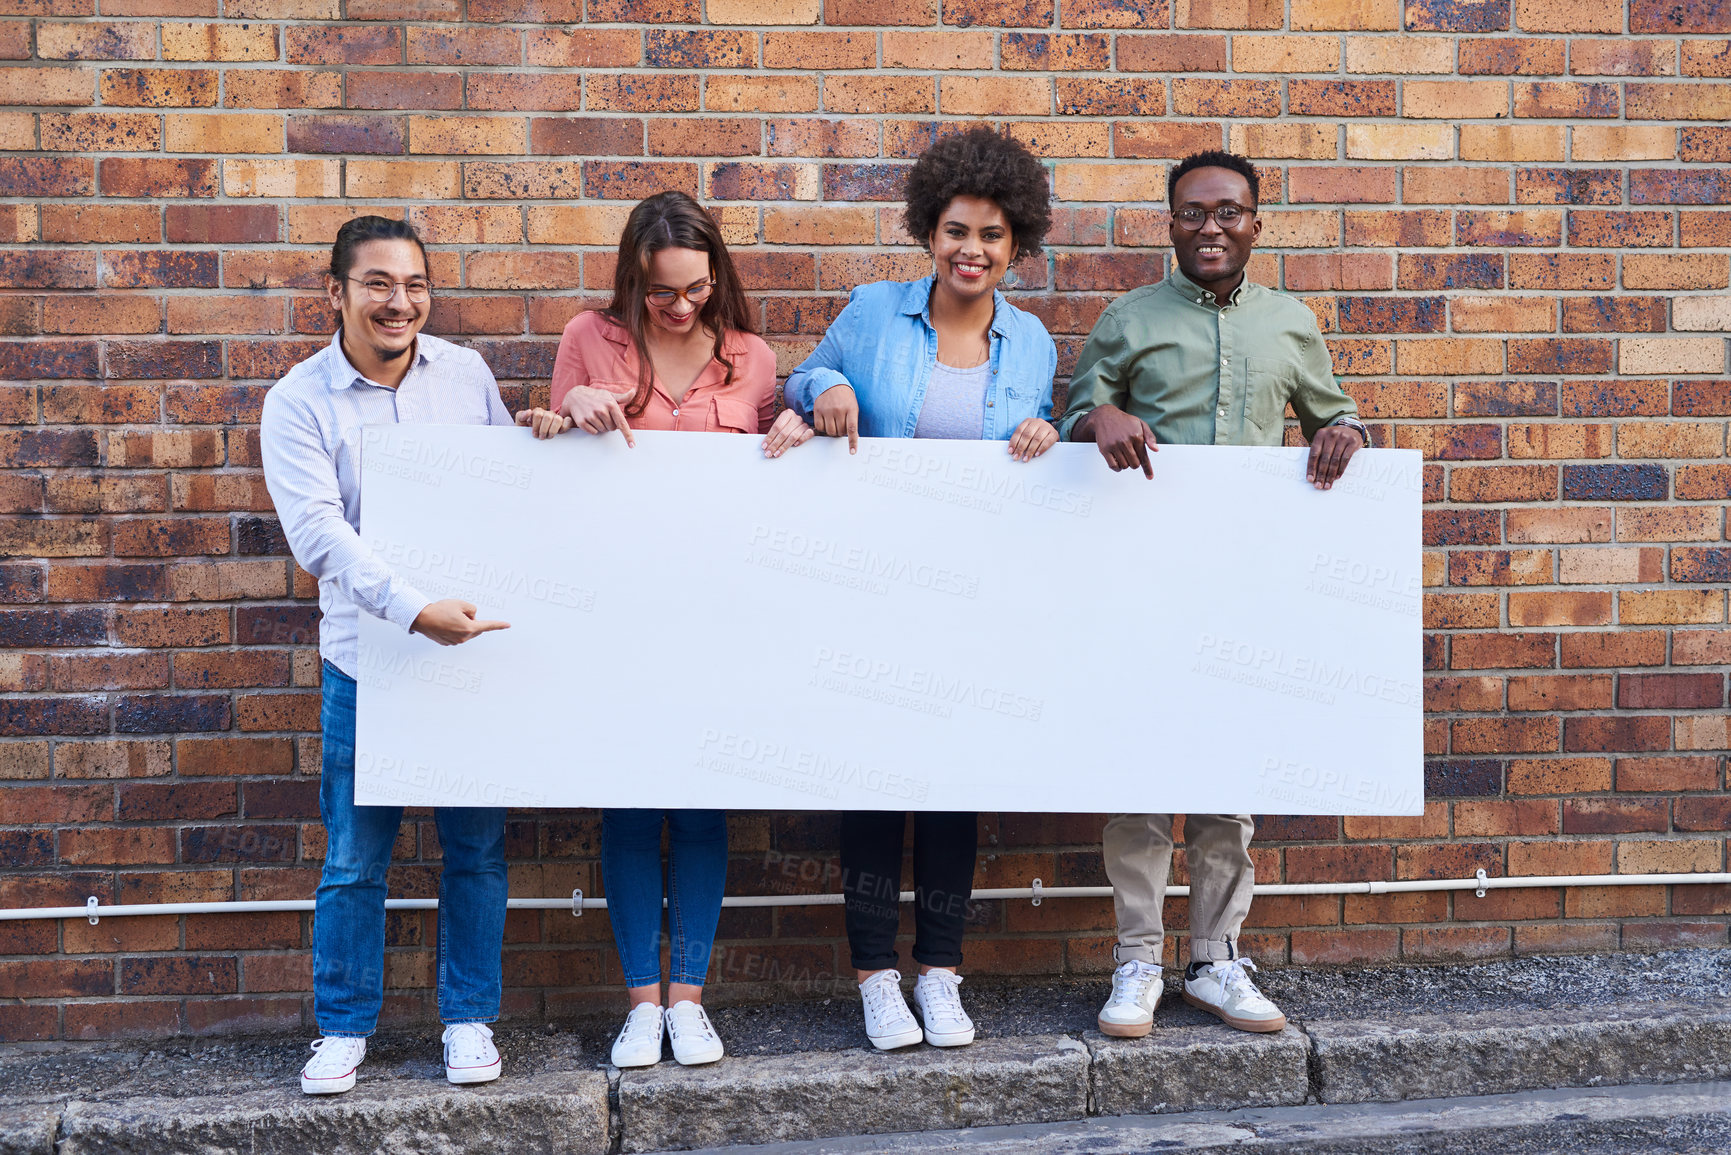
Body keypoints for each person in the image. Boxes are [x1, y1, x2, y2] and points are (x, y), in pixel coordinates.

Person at [1058, 149, 1371, 1040]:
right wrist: (1098, 418)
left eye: (1228, 211)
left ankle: (1215, 958)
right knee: (1144, 772)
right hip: (1143, 584)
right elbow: (1081, 415)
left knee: (1230, 775)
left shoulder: (1290, 322)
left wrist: (1345, 430)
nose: (1210, 226)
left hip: (1246, 583)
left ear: (1254, 224)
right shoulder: (1128, 319)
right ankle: (1134, 962)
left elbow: (1332, 413)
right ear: (1169, 223)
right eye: (1193, 212)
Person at [778, 127, 1059, 1050]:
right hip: (872, 592)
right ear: (926, 232)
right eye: (953, 231)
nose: (969, 250)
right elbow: (801, 373)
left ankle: (940, 972)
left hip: (972, 600)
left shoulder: (1033, 344)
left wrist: (1043, 436)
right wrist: (827, 388)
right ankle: (874, 977)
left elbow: (1040, 443)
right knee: (871, 784)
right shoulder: (873, 310)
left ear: (1016, 243)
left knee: (950, 789)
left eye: (989, 235)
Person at [516, 191, 793, 1068]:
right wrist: (570, 416)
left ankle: (691, 999)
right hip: (616, 612)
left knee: (702, 807)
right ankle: (642, 1001)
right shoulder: (586, 339)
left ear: (718, 277)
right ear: (634, 275)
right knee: (632, 803)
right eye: (661, 291)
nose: (680, 308)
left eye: (696, 290)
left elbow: (774, 481)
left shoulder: (750, 357)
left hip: (719, 611)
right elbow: (549, 464)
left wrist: (792, 427)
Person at [260, 217, 515, 1094]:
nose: (398, 301)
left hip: (467, 655)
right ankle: (342, 1027)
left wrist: (545, 434)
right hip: (365, 660)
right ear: (335, 293)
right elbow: (320, 536)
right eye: (376, 283)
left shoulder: (467, 375)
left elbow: (505, 493)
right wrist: (413, 612)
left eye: (413, 284)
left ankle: (469, 1017)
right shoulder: (299, 400)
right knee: (354, 859)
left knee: (475, 850)